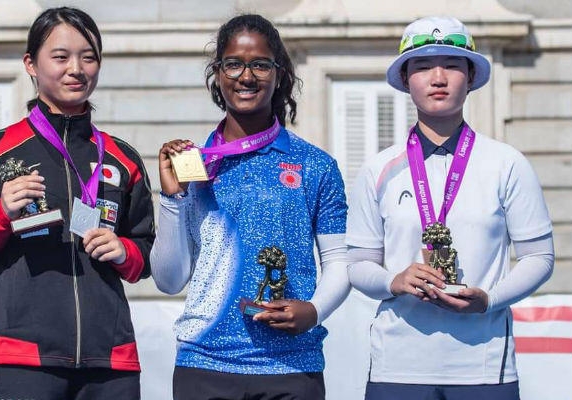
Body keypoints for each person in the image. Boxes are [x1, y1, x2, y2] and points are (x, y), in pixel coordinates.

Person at [0, 7, 154, 400]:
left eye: (88, 57)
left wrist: (124, 251)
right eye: (60, 57)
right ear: (31, 64)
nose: (76, 69)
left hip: (111, 364)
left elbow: (146, 254)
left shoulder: (122, 158)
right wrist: (1, 214)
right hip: (23, 361)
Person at [345, 16, 554, 400]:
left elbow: (539, 257)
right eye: (423, 66)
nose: (438, 78)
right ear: (406, 78)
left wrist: (489, 300)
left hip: (485, 365)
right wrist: (394, 281)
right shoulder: (378, 168)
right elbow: (358, 265)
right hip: (398, 365)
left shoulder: (506, 163)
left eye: (453, 65)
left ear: (471, 77)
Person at [150, 14, 350, 400]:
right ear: (218, 72)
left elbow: (339, 262)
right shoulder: (193, 165)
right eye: (233, 64)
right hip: (204, 362)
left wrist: (314, 311)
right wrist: (173, 199)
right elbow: (169, 280)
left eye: (260, 64)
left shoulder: (316, 165)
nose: (246, 76)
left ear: (279, 74)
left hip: (292, 366)